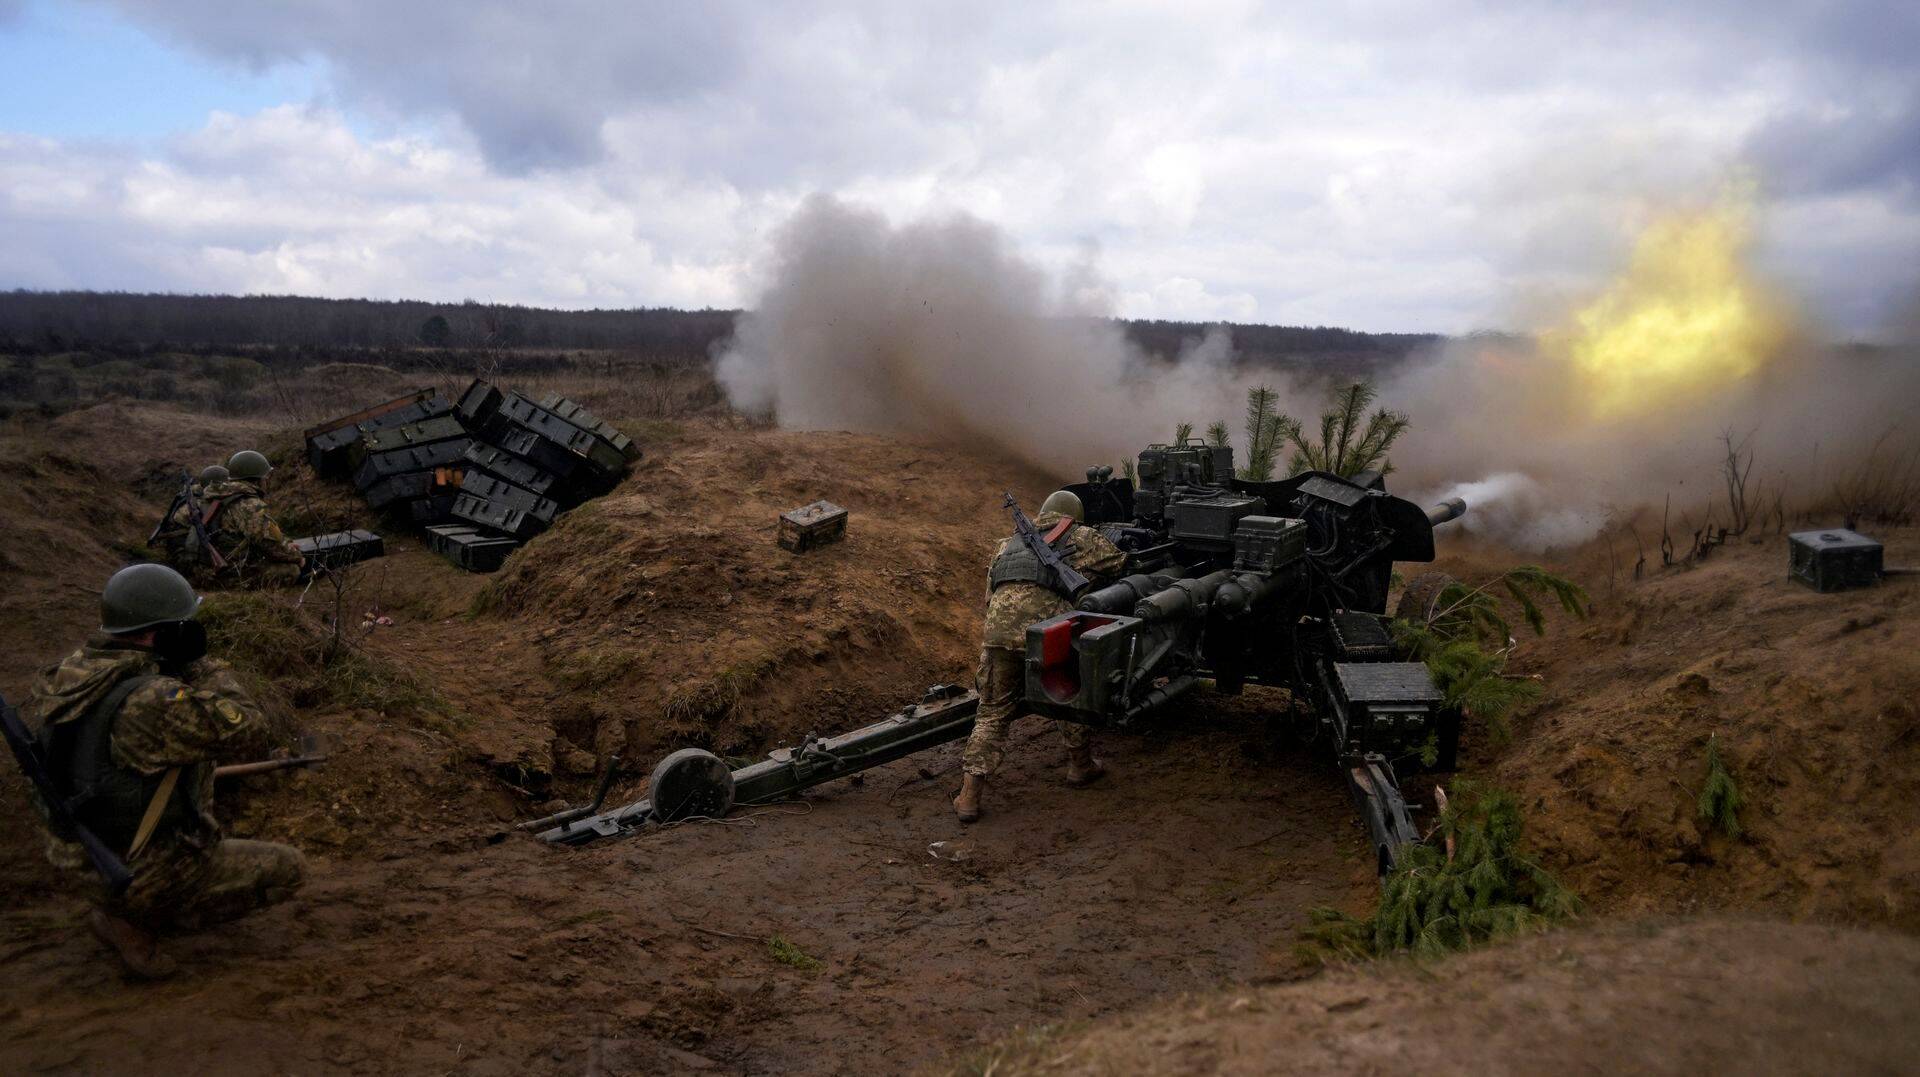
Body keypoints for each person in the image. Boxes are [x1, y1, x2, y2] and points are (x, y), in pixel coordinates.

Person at [19, 563, 305, 979]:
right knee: (288, 870)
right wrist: (200, 665)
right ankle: (139, 921)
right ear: (160, 633)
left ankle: (124, 909)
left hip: (77, 856)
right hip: (131, 872)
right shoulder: (154, 701)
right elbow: (251, 729)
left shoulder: (74, 674)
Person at [954, 490, 1127, 823]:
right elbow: (1120, 563)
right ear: (1073, 515)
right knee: (1065, 694)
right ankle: (1080, 766)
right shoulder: (1084, 536)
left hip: (998, 633)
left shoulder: (1006, 544)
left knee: (991, 715)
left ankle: (968, 797)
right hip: (1047, 633)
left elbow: (990, 597)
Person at [157, 450, 302, 584]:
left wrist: (286, 542)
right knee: (291, 570)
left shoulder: (217, 495)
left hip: (196, 566)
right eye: (266, 477)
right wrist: (297, 557)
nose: (267, 481)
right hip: (215, 571)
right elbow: (270, 545)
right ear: (258, 479)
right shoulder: (248, 504)